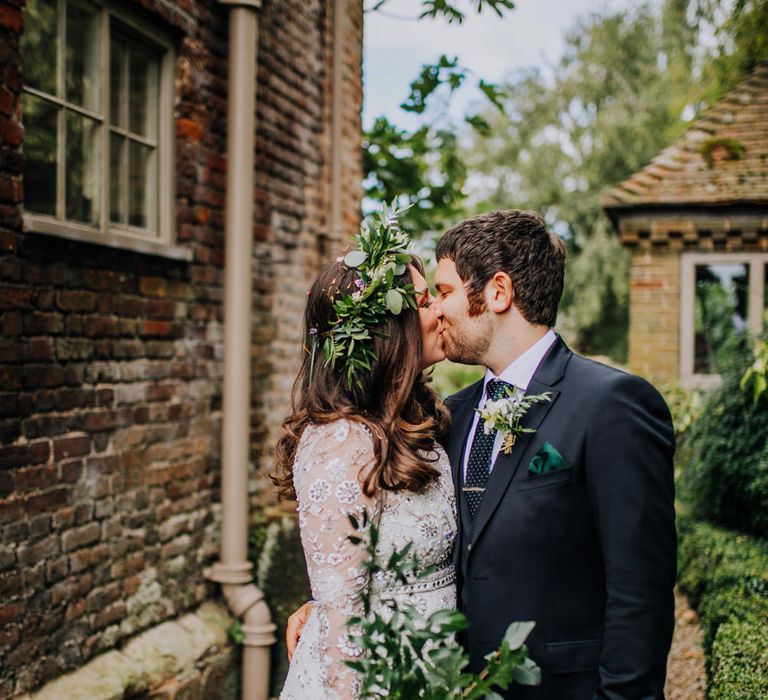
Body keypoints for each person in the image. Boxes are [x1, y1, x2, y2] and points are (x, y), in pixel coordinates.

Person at [288, 209, 677, 700]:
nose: (435, 311)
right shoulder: (448, 418)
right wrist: (326, 607)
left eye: (443, 293)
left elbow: (640, 589)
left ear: (497, 292)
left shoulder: (611, 404)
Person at [273, 214, 456, 699]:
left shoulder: (419, 423)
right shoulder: (339, 444)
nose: (440, 309)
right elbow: (342, 623)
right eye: (423, 302)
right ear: (387, 333)